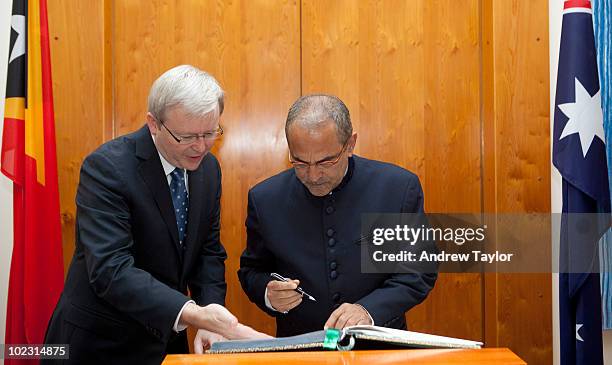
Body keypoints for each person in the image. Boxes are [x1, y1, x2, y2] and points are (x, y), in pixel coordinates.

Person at [44, 65, 268, 364]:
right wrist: (196, 314)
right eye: (187, 136)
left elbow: (207, 253)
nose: (200, 147)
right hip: (100, 343)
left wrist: (209, 312)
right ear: (154, 124)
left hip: (165, 342)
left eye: (210, 132)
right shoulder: (107, 168)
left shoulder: (208, 170)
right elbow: (112, 269)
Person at [238, 94, 437, 337]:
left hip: (379, 348)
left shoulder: (395, 189)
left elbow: (417, 271)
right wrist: (268, 293)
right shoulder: (265, 199)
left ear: (350, 144)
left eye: (326, 162)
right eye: (299, 162)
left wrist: (367, 310)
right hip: (300, 351)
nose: (312, 176)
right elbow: (252, 270)